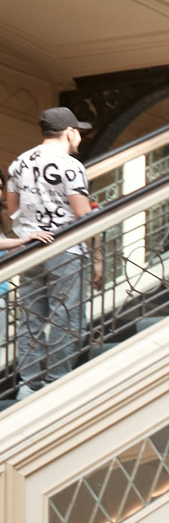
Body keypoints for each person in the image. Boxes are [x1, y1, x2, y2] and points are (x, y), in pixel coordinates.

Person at [8, 108, 93, 397]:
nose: (79, 135)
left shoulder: (18, 164)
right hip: (66, 247)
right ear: (69, 132)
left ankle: (28, 384)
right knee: (65, 316)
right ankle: (57, 381)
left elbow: (11, 210)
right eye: (77, 130)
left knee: (31, 317)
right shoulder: (71, 165)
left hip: (31, 248)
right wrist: (97, 258)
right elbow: (82, 214)